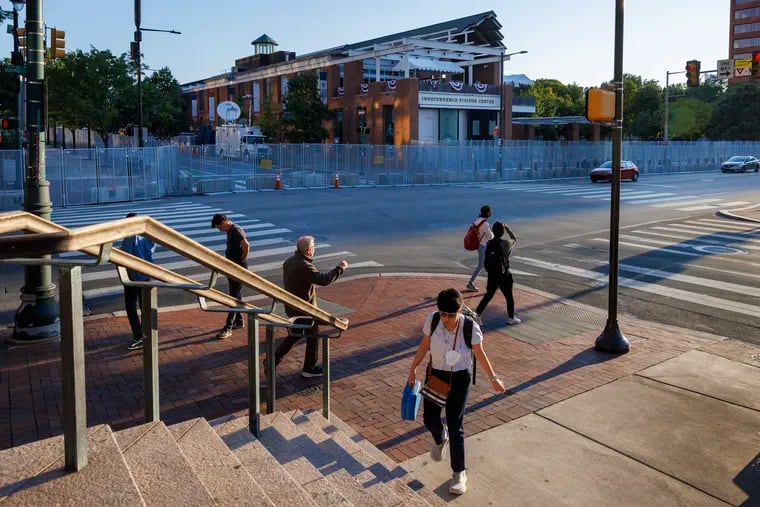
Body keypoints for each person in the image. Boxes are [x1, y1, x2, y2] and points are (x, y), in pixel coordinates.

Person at [407, 288, 506, 496]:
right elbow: (424, 345)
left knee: (455, 424)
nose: (446, 319)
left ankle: (459, 473)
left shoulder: (469, 326)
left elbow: (479, 353)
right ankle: (440, 438)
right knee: (429, 419)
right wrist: (413, 368)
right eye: (443, 314)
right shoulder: (432, 320)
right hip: (435, 375)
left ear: (460, 310)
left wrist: (493, 377)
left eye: (451, 315)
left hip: (460, 379)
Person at [273, 236, 348, 378]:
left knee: (295, 334)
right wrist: (340, 268)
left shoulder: (289, 261)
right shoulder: (304, 265)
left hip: (293, 306)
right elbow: (323, 279)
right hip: (304, 308)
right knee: (313, 336)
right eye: (313, 247)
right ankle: (309, 368)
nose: (314, 249)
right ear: (308, 251)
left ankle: (274, 360)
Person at [120, 212, 157, 351]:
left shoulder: (130, 236)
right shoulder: (147, 235)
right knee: (145, 305)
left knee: (131, 306)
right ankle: (148, 333)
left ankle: (139, 336)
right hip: (146, 274)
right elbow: (152, 251)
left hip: (133, 276)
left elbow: (125, 255)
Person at [211, 213, 250, 339]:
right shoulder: (230, 231)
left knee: (233, 297)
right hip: (232, 267)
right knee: (235, 294)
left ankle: (228, 327)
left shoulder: (236, 230)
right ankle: (239, 320)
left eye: (219, 227)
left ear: (223, 222)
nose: (219, 230)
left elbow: (246, 245)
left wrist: (242, 261)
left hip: (237, 268)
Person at [476, 221, 521, 325]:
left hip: (492, 274)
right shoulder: (505, 244)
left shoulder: (489, 243)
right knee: (509, 297)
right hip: (504, 274)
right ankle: (511, 317)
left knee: (489, 295)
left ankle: (477, 314)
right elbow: (514, 239)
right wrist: (508, 229)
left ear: (493, 231)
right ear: (502, 232)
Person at [466, 205, 493, 292]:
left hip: (479, 244)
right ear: (488, 213)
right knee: (481, 265)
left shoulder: (477, 220)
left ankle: (495, 282)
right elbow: (491, 236)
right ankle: (470, 283)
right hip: (482, 245)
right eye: (490, 211)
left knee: (487, 264)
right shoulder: (485, 223)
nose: (491, 212)